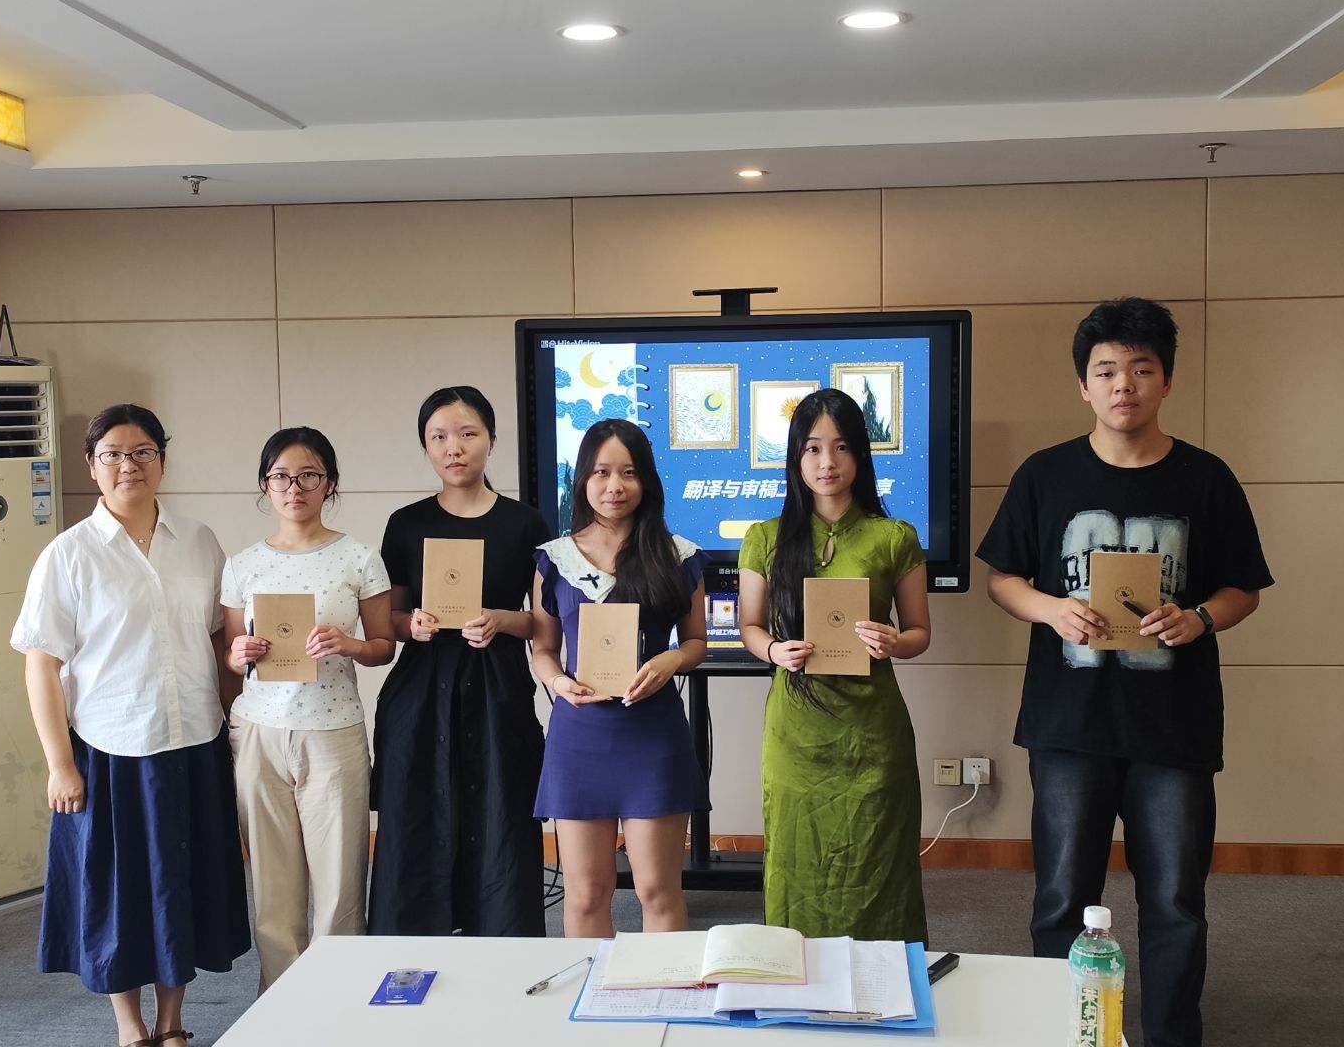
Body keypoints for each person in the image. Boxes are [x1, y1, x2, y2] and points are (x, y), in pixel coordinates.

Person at [977, 297, 1272, 1047]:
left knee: (1175, 901)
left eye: (1140, 369)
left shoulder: (1206, 478)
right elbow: (1003, 578)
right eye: (1106, 370)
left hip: (1173, 727)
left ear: (1166, 380)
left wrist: (1199, 618)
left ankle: (1172, 1034)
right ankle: (1061, 1030)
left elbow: (1244, 588)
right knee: (1060, 898)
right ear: (1084, 385)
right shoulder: (1045, 474)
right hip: (1067, 724)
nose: (1123, 385)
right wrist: (1052, 609)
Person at [12, 404, 249, 1047]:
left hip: (194, 740)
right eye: (112, 454)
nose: (129, 465)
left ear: (162, 462)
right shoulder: (67, 555)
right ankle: (129, 1026)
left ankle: (172, 1023)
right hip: (110, 748)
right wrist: (59, 764)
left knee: (181, 885)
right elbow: (41, 665)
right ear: (91, 466)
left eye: (142, 452)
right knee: (117, 893)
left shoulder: (199, 540)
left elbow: (219, 640)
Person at [737, 388, 932, 942]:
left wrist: (894, 642)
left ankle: (884, 980)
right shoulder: (764, 538)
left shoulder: (894, 537)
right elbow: (750, 627)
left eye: (842, 447)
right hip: (796, 733)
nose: (828, 462)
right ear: (796, 457)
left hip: (872, 732)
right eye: (813, 448)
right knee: (796, 856)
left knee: (880, 857)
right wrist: (774, 651)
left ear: (861, 456)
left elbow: (920, 634)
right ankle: (797, 975)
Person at [368, 387, 552, 936]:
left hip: (497, 689)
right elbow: (388, 619)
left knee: (501, 818)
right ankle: (410, 957)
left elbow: (542, 624)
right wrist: (412, 624)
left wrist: (500, 619)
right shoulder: (406, 523)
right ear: (426, 447)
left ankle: (502, 952)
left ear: (491, 440)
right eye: (439, 437)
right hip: (422, 691)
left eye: (468, 434)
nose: (454, 447)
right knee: (417, 819)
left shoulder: (526, 524)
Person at [221, 427, 394, 990]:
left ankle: (337, 998)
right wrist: (238, 653)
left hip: (333, 731)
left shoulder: (359, 558)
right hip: (259, 733)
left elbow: (384, 647)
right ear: (265, 486)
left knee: (341, 882)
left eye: (308, 475)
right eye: (281, 477)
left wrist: (348, 644)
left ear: (330, 484)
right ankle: (283, 1000)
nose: (294, 488)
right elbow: (230, 655)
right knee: (272, 885)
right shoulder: (242, 564)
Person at [530, 418, 710, 938]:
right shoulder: (554, 559)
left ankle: (664, 985)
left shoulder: (678, 555)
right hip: (579, 737)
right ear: (582, 480)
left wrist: (670, 661)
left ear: (646, 480)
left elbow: (696, 642)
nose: (615, 486)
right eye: (601, 472)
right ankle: (592, 990)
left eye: (629, 473)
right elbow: (543, 649)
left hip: (653, 735)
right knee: (586, 893)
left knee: (657, 890)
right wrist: (559, 683)